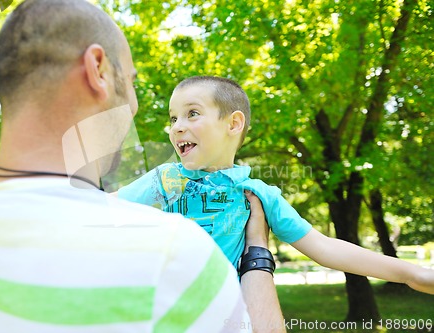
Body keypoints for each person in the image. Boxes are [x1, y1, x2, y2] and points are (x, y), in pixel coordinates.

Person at [0, 2, 285, 333]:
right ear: (98, 71)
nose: (133, 105)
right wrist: (257, 251)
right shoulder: (169, 254)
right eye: (131, 81)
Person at [117, 75, 434, 295]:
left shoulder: (255, 194)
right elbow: (104, 207)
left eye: (192, 114)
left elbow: (324, 247)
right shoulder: (167, 180)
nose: (177, 128)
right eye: (173, 119)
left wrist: (411, 273)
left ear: (234, 123)